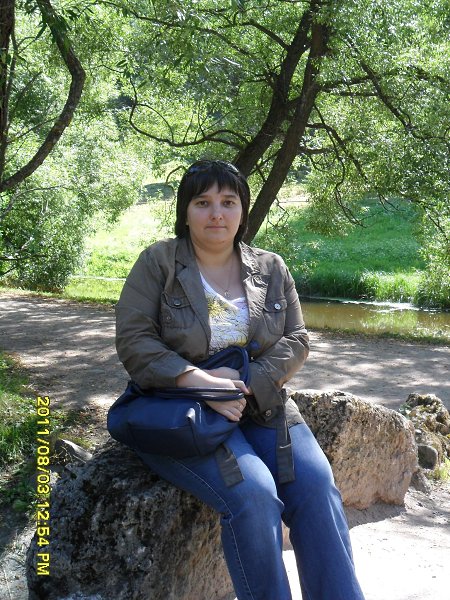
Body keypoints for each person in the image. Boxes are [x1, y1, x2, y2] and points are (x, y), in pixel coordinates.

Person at [115, 159, 365, 600]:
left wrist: (243, 385)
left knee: (317, 489)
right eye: (203, 202)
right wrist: (201, 383)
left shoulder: (271, 267)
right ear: (185, 211)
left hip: (262, 405)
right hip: (185, 412)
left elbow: (297, 339)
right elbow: (134, 341)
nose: (217, 214)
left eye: (228, 202)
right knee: (255, 495)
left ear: (243, 211)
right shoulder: (158, 263)